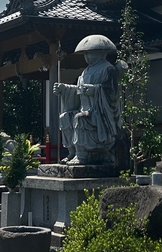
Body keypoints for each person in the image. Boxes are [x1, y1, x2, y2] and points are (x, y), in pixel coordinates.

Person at [52, 35, 121, 165]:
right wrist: (64, 88)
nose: (88, 57)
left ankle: (82, 155)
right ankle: (72, 151)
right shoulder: (85, 71)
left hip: (100, 112)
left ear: (102, 53)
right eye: (86, 54)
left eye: (91, 53)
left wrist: (95, 90)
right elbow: (78, 89)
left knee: (80, 118)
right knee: (65, 117)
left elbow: (111, 92)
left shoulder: (108, 69)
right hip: (85, 107)